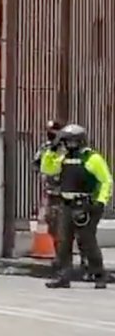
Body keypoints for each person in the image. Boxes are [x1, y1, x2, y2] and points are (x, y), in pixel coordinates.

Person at [40, 123, 111, 289]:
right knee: (63, 241)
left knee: (87, 241)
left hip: (85, 205)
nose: (68, 144)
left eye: (71, 141)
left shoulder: (91, 158)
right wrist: (52, 150)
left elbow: (106, 180)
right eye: (66, 141)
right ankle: (63, 276)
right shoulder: (62, 157)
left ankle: (99, 275)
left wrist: (99, 202)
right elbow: (47, 169)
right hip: (66, 204)